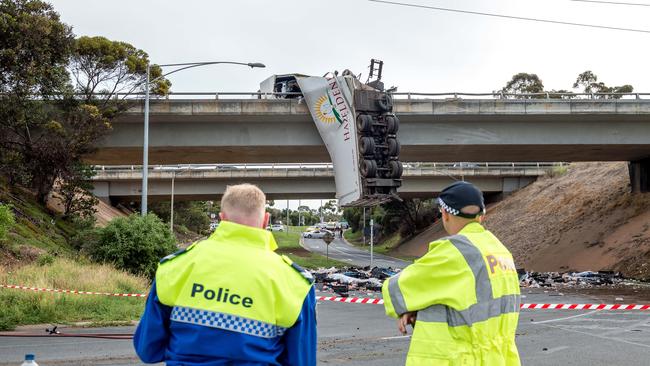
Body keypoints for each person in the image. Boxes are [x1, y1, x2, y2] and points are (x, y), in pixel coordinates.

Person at [134, 183, 317, 365]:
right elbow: (302, 361)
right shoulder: (295, 282)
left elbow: (148, 350)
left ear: (222, 218)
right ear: (266, 220)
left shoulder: (176, 266)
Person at [382, 181, 521, 365]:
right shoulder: (500, 251)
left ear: (445, 214)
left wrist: (414, 307)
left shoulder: (454, 252)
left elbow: (396, 290)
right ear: (481, 216)